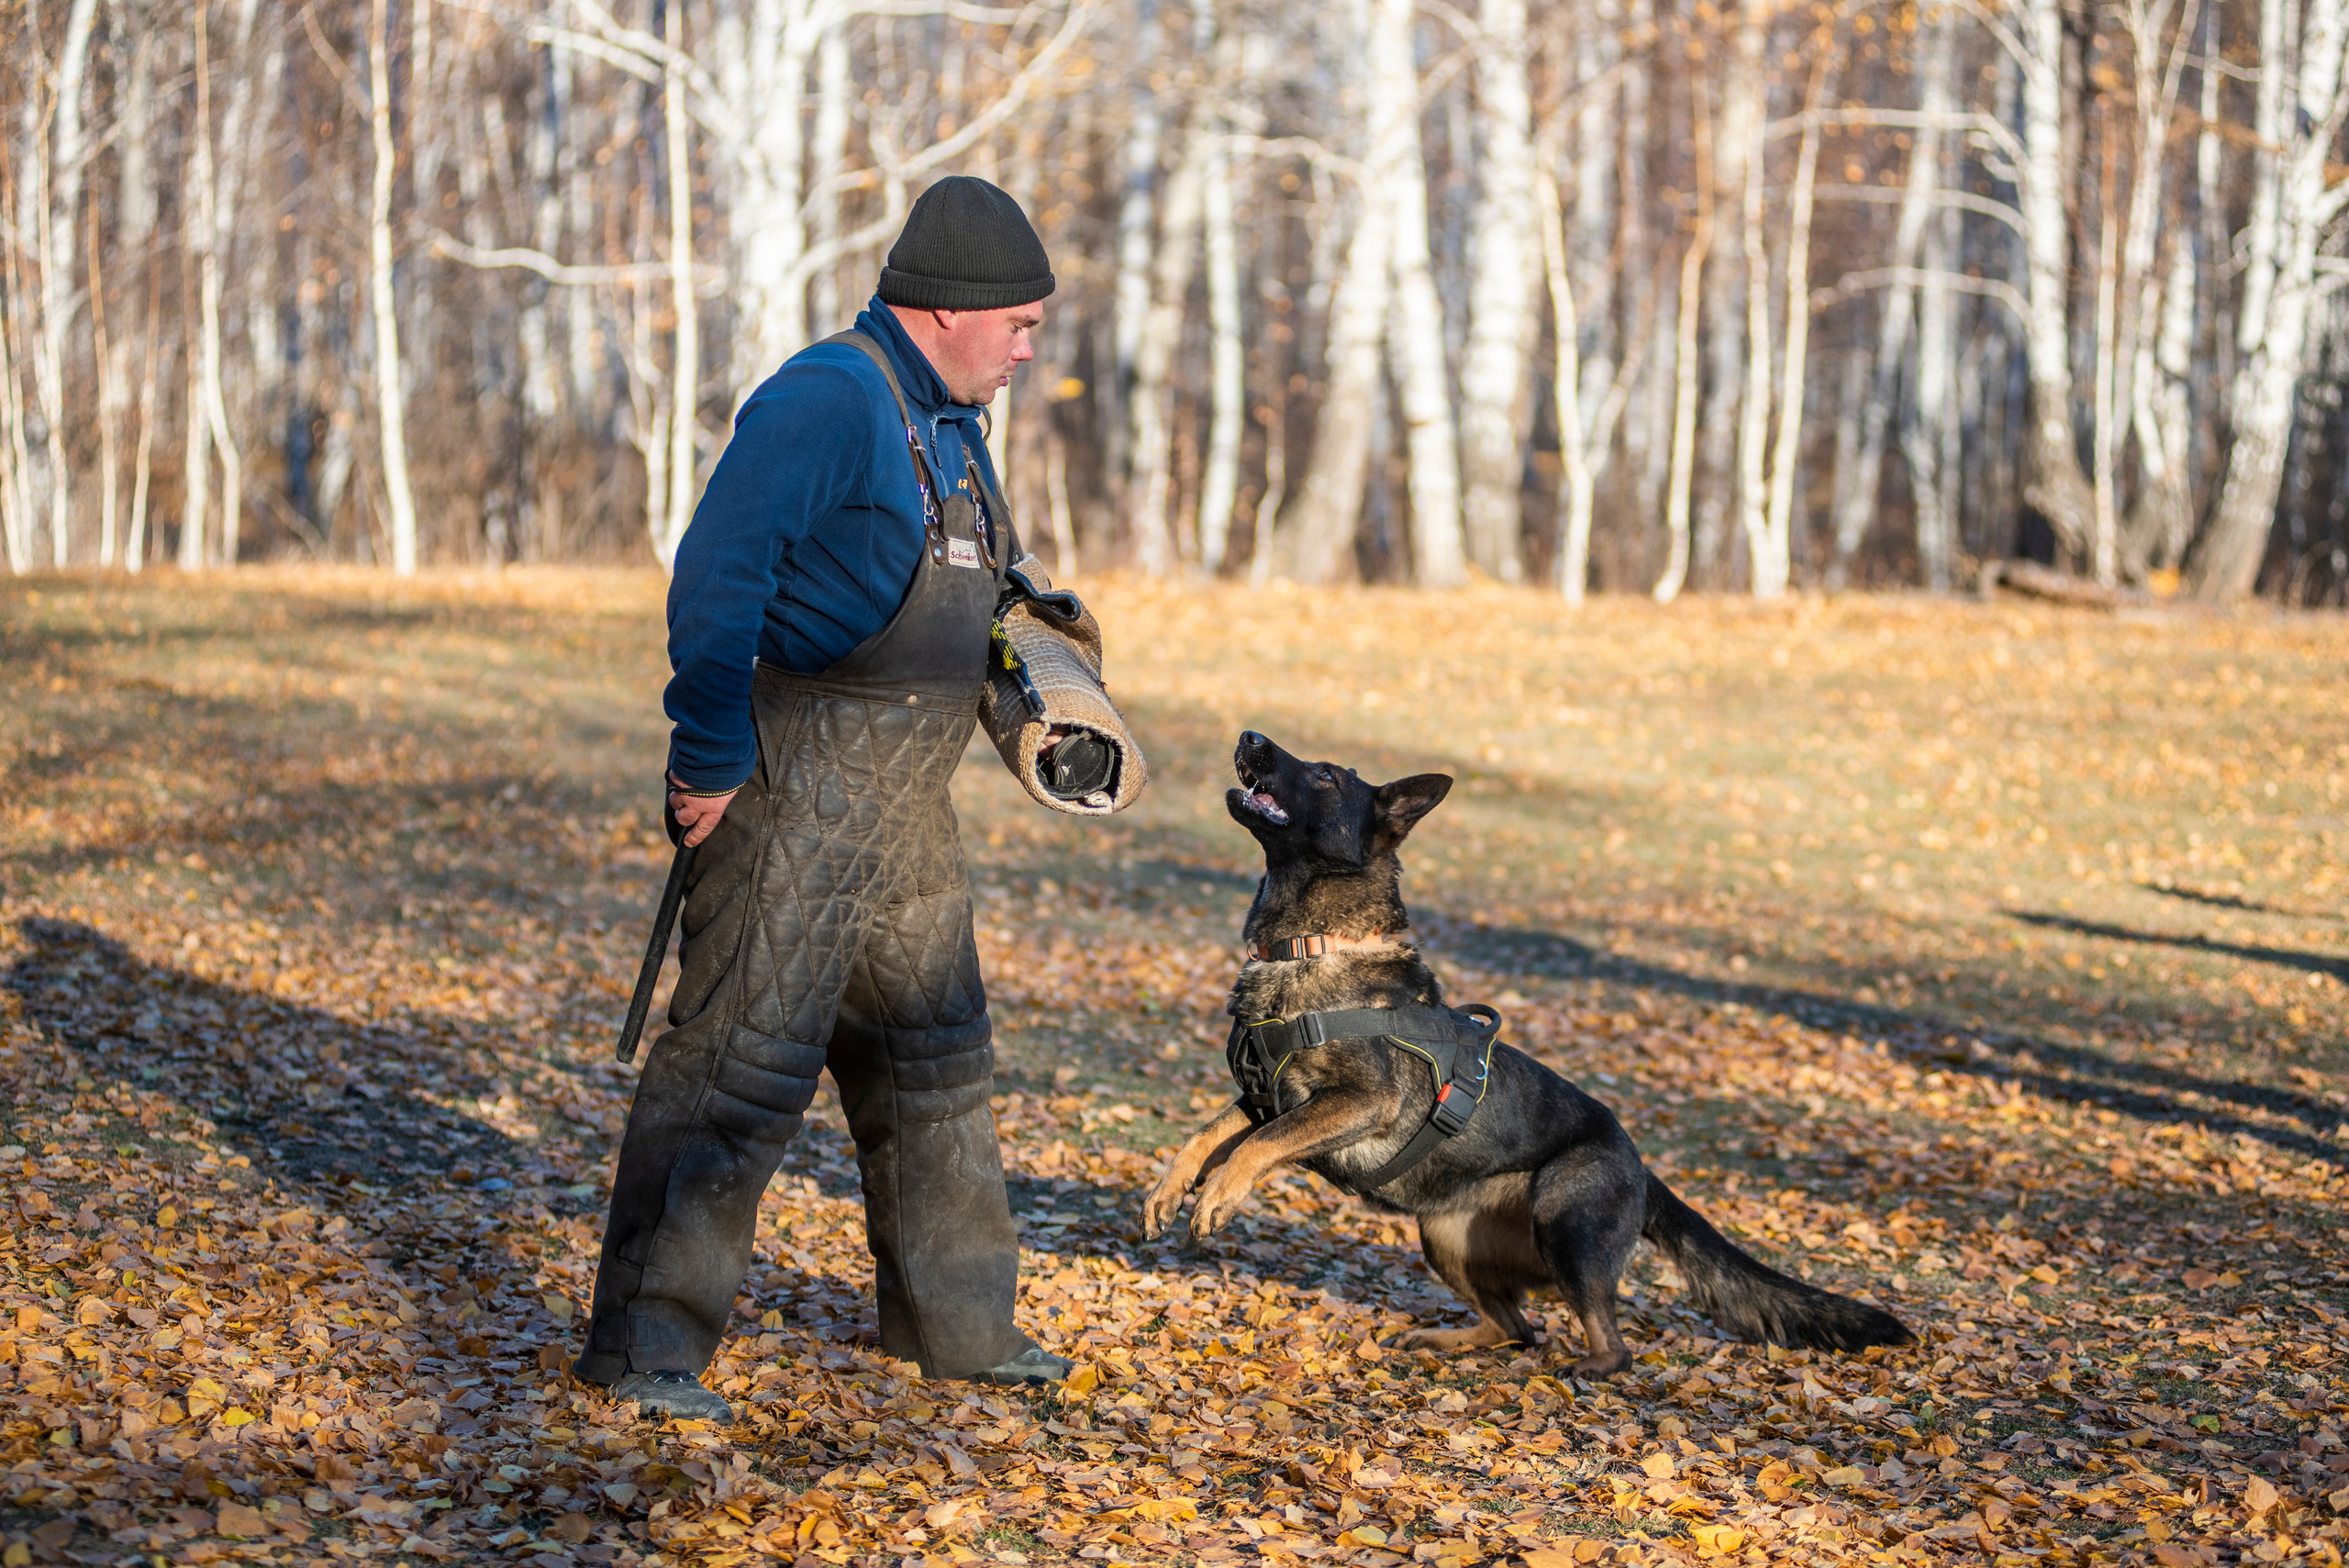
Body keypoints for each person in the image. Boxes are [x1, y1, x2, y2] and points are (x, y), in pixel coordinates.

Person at [574, 177, 1083, 1421]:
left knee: (937, 1068)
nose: (1028, 348)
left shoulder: (952, 426)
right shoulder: (825, 399)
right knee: (737, 1074)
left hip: (911, 811)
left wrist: (1044, 638)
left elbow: (967, 573)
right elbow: (718, 579)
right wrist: (705, 756)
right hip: (793, 796)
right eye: (1017, 323)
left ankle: (957, 1325)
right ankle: (646, 1349)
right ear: (947, 311)